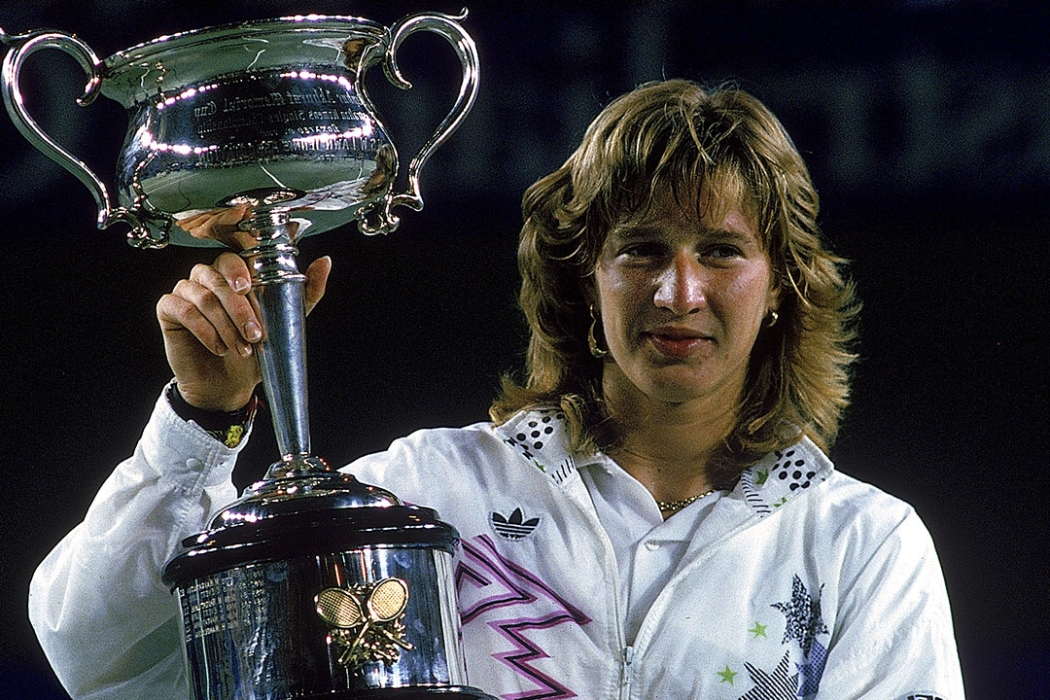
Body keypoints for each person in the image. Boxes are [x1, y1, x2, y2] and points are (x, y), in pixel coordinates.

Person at [28, 79, 964, 699]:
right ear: (583, 285)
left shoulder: (862, 548)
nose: (681, 292)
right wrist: (203, 422)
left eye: (721, 251)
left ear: (780, 289)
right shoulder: (432, 496)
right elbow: (104, 656)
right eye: (640, 249)